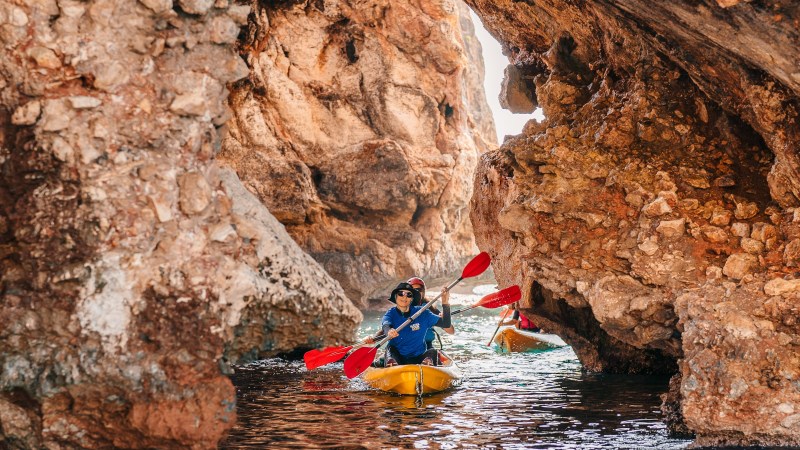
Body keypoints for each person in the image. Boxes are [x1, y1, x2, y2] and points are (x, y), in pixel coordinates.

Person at [366, 281, 452, 366]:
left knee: (432, 351)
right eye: (401, 293)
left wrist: (445, 303)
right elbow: (386, 325)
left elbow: (446, 324)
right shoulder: (390, 313)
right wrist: (389, 331)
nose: (405, 297)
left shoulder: (423, 313)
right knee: (390, 349)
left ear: (411, 299)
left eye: (409, 295)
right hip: (397, 357)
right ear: (395, 296)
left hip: (418, 358)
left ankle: (426, 365)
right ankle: (389, 364)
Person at [406, 276, 455, 349]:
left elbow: (450, 331)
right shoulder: (400, 309)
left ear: (423, 292)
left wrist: (445, 303)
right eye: (411, 290)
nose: (415, 293)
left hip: (426, 346)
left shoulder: (430, 309)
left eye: (418, 290)